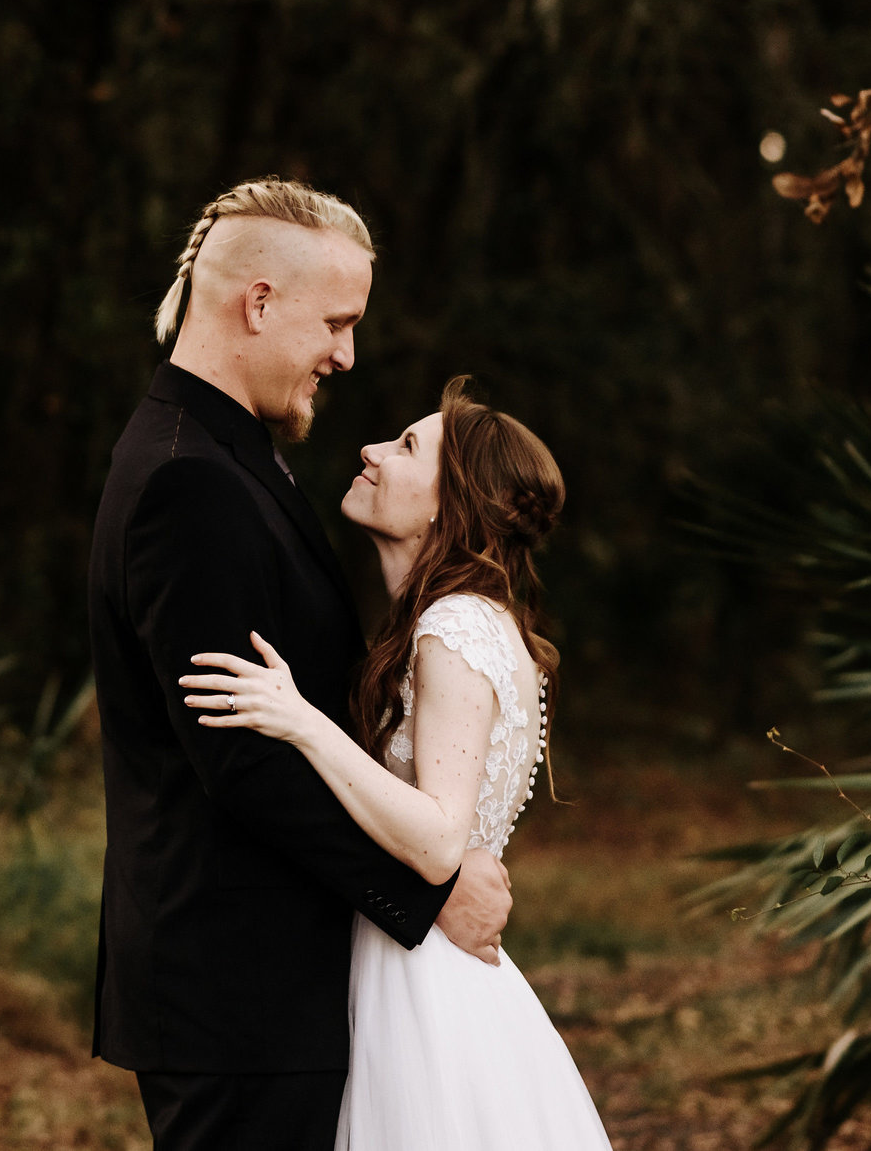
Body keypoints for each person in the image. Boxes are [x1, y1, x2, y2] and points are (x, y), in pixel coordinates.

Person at [88, 177, 516, 1151]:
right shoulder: (188, 480)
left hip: (267, 984)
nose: (346, 354)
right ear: (258, 303)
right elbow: (243, 760)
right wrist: (429, 889)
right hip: (236, 990)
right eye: (336, 320)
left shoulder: (230, 454)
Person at [179, 376, 610, 1150]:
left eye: (407, 445)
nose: (372, 449)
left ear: (451, 505)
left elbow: (443, 840)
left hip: (423, 986)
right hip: (417, 961)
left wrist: (303, 721)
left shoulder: (453, 628)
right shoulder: (455, 621)